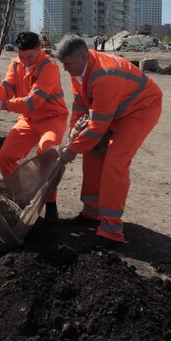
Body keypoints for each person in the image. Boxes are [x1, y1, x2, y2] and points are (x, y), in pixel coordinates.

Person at [53, 34, 162, 246]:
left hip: (140, 109)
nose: (64, 69)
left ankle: (111, 229)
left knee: (116, 161)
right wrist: (73, 136)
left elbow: (98, 126)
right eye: (62, 64)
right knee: (93, 153)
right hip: (115, 109)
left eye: (67, 64)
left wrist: (72, 149)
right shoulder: (79, 70)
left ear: (83, 56)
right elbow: (80, 106)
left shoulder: (104, 75)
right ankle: (91, 213)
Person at [0, 31, 68, 222]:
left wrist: (2, 105)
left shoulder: (49, 67)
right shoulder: (16, 63)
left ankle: (50, 204)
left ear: (39, 49)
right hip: (28, 120)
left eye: (30, 56)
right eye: (22, 57)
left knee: (47, 153)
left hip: (52, 119)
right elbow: (8, 90)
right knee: (5, 156)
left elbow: (33, 102)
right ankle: (17, 198)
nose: (26, 61)